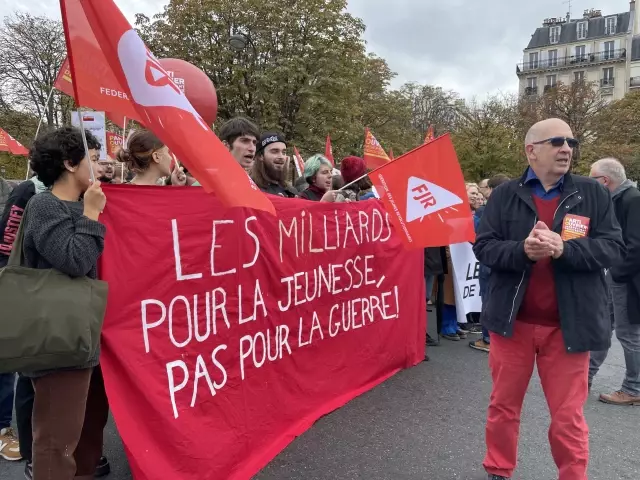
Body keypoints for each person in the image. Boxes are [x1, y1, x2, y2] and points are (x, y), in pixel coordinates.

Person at [474, 118, 625, 480]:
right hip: (514, 324)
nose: (567, 149)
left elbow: (613, 248)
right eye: (557, 141)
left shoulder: (593, 193)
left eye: (570, 142)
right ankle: (499, 468)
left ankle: (573, 475)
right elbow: (484, 247)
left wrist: (564, 250)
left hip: (569, 327)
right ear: (531, 150)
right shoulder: (506, 194)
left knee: (567, 415)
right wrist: (522, 250)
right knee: (503, 406)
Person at [20, 126, 113, 480]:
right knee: (56, 439)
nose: (98, 164)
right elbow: (74, 259)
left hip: (83, 334)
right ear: (70, 164)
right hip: (57, 339)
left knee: (84, 428)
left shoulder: (76, 203)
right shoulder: (44, 205)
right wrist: (91, 214)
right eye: (91, 156)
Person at [588, 158, 640, 405]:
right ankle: (584, 377)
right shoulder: (622, 199)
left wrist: (617, 273)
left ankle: (634, 388)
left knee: (628, 335)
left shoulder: (632, 199)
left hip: (626, 280)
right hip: (618, 277)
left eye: (592, 179)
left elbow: (635, 246)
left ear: (604, 181)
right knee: (601, 326)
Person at [470, 174, 511, 353]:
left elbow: (478, 236)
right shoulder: (515, 207)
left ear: (492, 189)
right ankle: (501, 336)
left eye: (485, 189)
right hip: (508, 259)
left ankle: (488, 338)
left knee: (488, 298)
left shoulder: (485, 210)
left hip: (490, 260)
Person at [117, 130, 186, 186]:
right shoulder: (125, 194)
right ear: (156, 157)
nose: (171, 158)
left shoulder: (123, 194)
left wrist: (176, 186)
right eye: (167, 152)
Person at [250, 132, 298, 197]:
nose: (281, 157)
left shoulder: (291, 191)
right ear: (261, 156)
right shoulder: (250, 188)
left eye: (284, 152)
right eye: (274, 151)